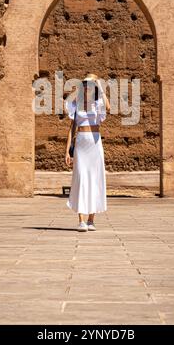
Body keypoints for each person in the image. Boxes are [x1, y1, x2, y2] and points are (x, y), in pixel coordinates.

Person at [64, 73, 110, 232]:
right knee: (81, 179)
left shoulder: (98, 103)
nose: (87, 87)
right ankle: (81, 220)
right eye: (85, 84)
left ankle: (91, 220)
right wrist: (67, 151)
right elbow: (72, 129)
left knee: (94, 179)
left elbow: (108, 108)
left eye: (90, 85)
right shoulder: (76, 104)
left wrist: (100, 87)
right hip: (81, 146)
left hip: (95, 146)